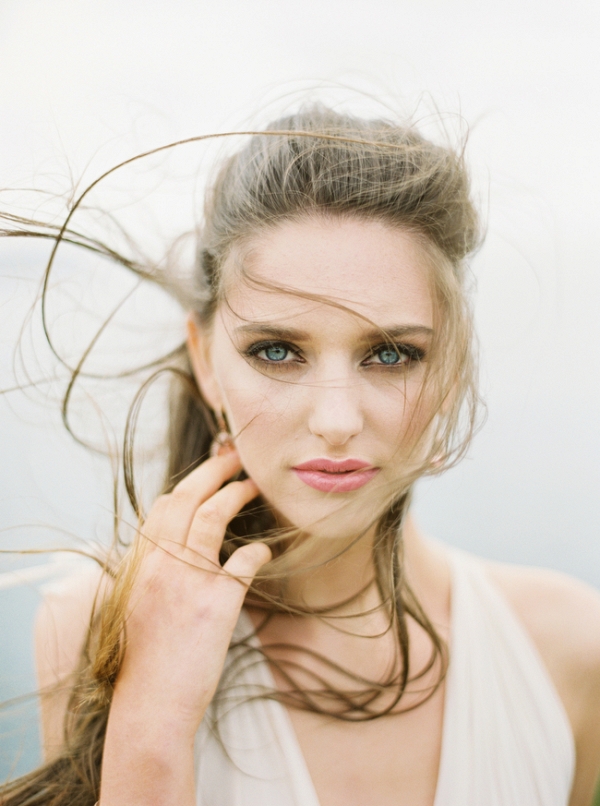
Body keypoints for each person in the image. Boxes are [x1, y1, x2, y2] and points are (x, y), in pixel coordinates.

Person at [2, 105, 600, 806]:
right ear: (205, 362)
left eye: (391, 354)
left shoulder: (567, 644)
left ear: (451, 368)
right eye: (276, 351)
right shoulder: (94, 627)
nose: (337, 421)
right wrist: (153, 721)